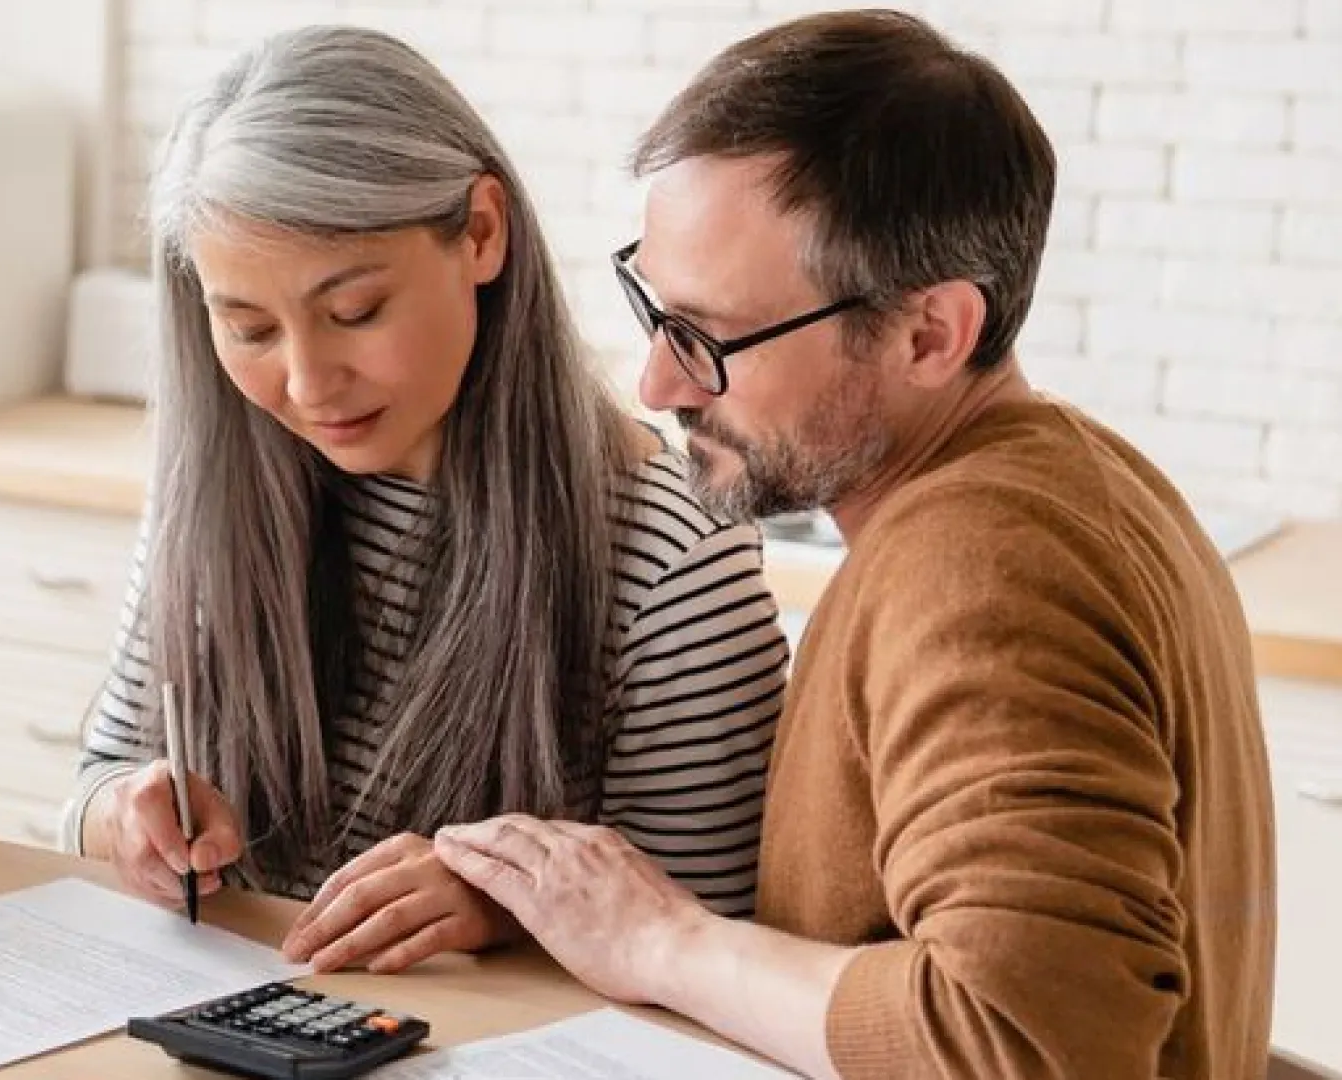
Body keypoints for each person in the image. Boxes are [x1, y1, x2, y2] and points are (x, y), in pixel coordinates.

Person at [432, 11, 1276, 1079]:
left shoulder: (978, 568)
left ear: (931, 334)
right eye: (653, 306)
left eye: (712, 336)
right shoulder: (1078, 479)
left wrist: (660, 939)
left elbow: (1027, 1038)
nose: (658, 383)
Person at [60, 24, 789, 976]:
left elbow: (710, 937)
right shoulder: (217, 490)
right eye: (248, 329)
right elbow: (92, 786)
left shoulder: (671, 553)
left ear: (481, 233)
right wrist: (129, 819)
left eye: (354, 312)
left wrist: (507, 905)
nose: (309, 384)